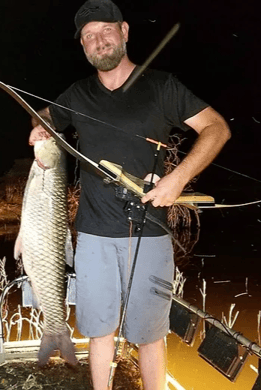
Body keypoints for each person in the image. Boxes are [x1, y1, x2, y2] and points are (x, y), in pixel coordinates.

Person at [29, 0, 231, 388]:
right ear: (83, 47)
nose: (98, 40)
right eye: (89, 36)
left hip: (150, 234)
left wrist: (177, 180)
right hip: (92, 236)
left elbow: (216, 128)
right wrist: (39, 126)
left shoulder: (162, 85)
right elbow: (46, 115)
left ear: (124, 31)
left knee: (150, 334)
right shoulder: (77, 93)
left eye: (105, 30)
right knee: (99, 330)